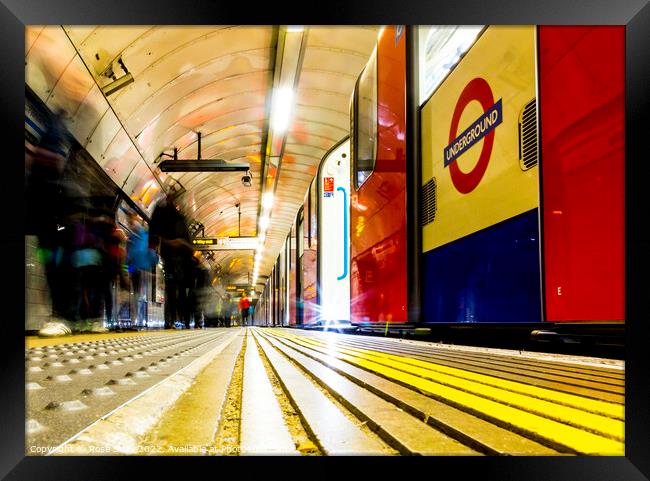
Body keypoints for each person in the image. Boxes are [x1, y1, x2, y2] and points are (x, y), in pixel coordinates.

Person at [148, 192, 194, 329]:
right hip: (172, 257)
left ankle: (175, 320)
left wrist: (165, 243)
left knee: (174, 289)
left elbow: (186, 243)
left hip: (176, 258)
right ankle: (174, 320)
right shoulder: (168, 215)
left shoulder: (176, 217)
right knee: (174, 289)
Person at [126, 212, 158, 328]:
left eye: (134, 221)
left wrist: (153, 261)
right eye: (131, 222)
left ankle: (139, 319)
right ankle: (136, 320)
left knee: (140, 295)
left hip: (143, 269)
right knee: (137, 294)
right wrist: (128, 271)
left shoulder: (144, 236)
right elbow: (128, 257)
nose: (133, 224)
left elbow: (151, 252)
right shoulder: (131, 237)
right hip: (137, 269)